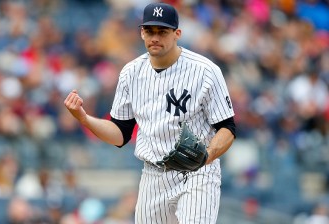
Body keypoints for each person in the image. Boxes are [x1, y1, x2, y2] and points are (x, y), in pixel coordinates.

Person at [64, 2, 236, 223]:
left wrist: (207, 156)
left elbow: (227, 128)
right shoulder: (131, 73)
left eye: (162, 31)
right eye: (150, 30)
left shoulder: (206, 71)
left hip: (197, 174)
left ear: (177, 34)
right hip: (153, 176)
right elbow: (120, 134)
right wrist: (84, 119)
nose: (155, 37)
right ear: (142, 33)